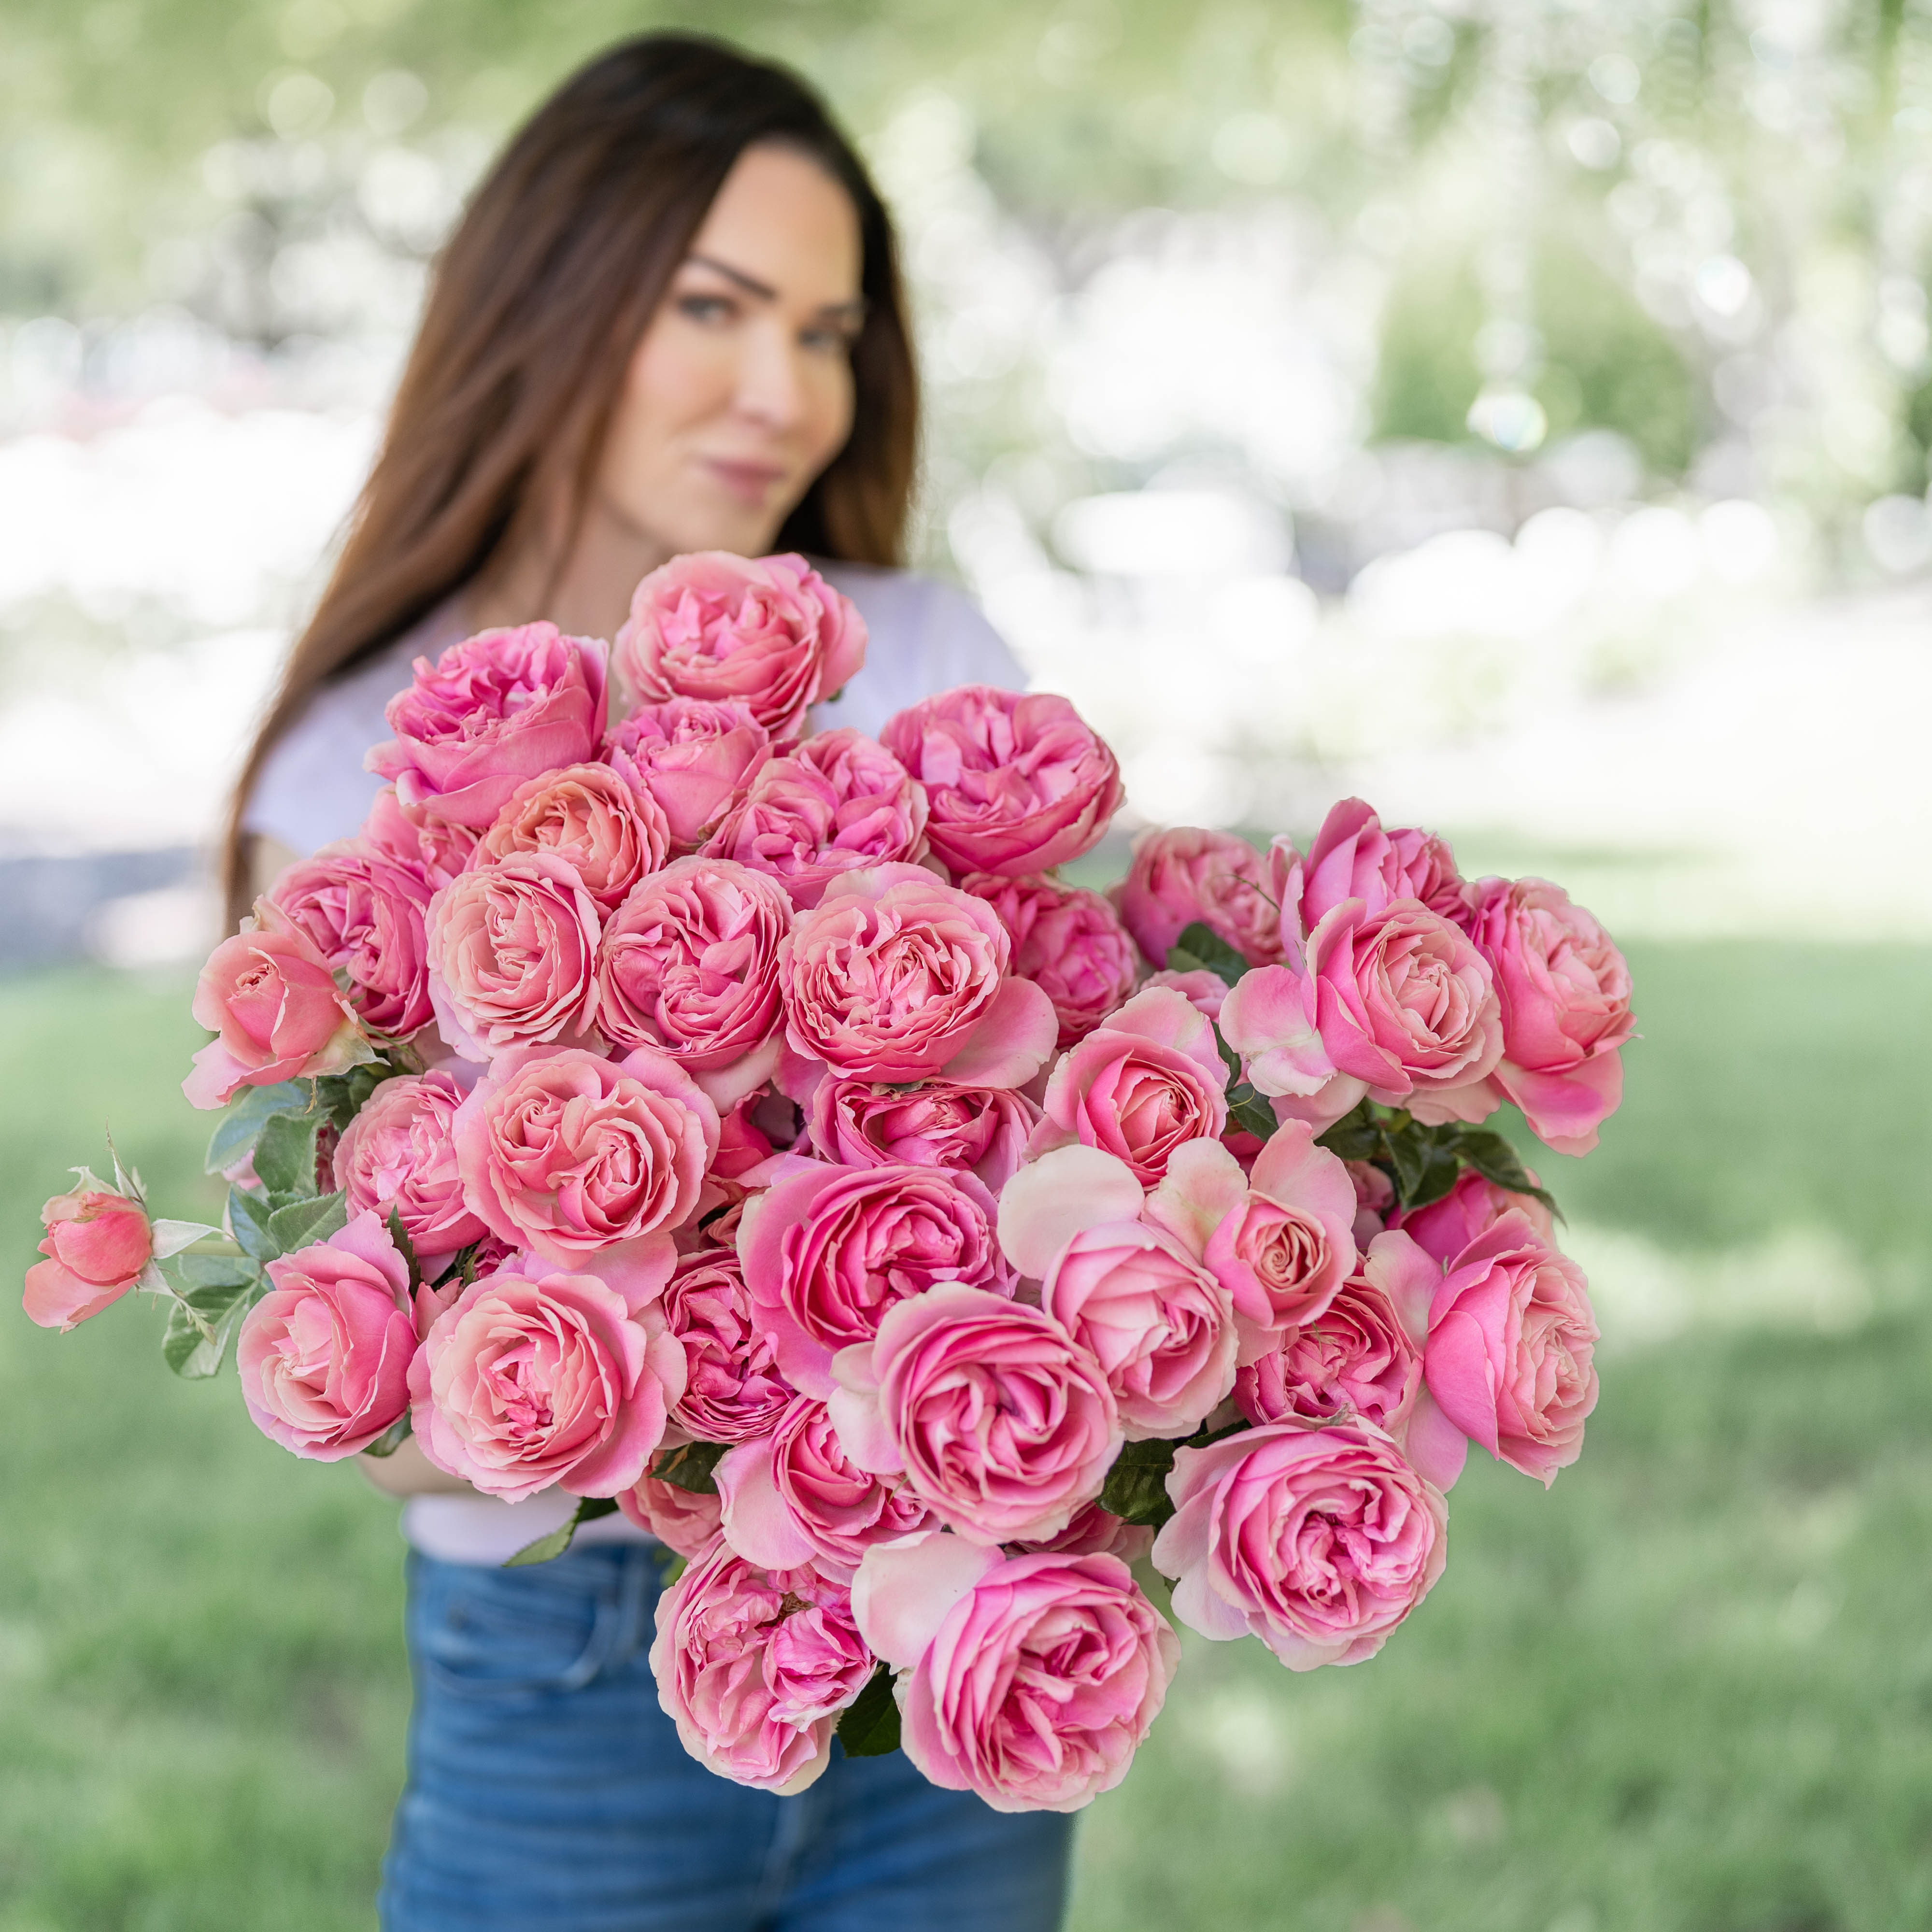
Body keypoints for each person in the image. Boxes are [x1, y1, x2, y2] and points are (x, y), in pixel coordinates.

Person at [226, 34, 1073, 1932]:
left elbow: (1068, 1119)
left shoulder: (939, 666)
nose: (786, 392)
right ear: (555, 299)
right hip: (567, 1662)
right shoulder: (353, 764)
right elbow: (341, 1358)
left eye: (832, 331)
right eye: (716, 307)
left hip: (945, 1644)